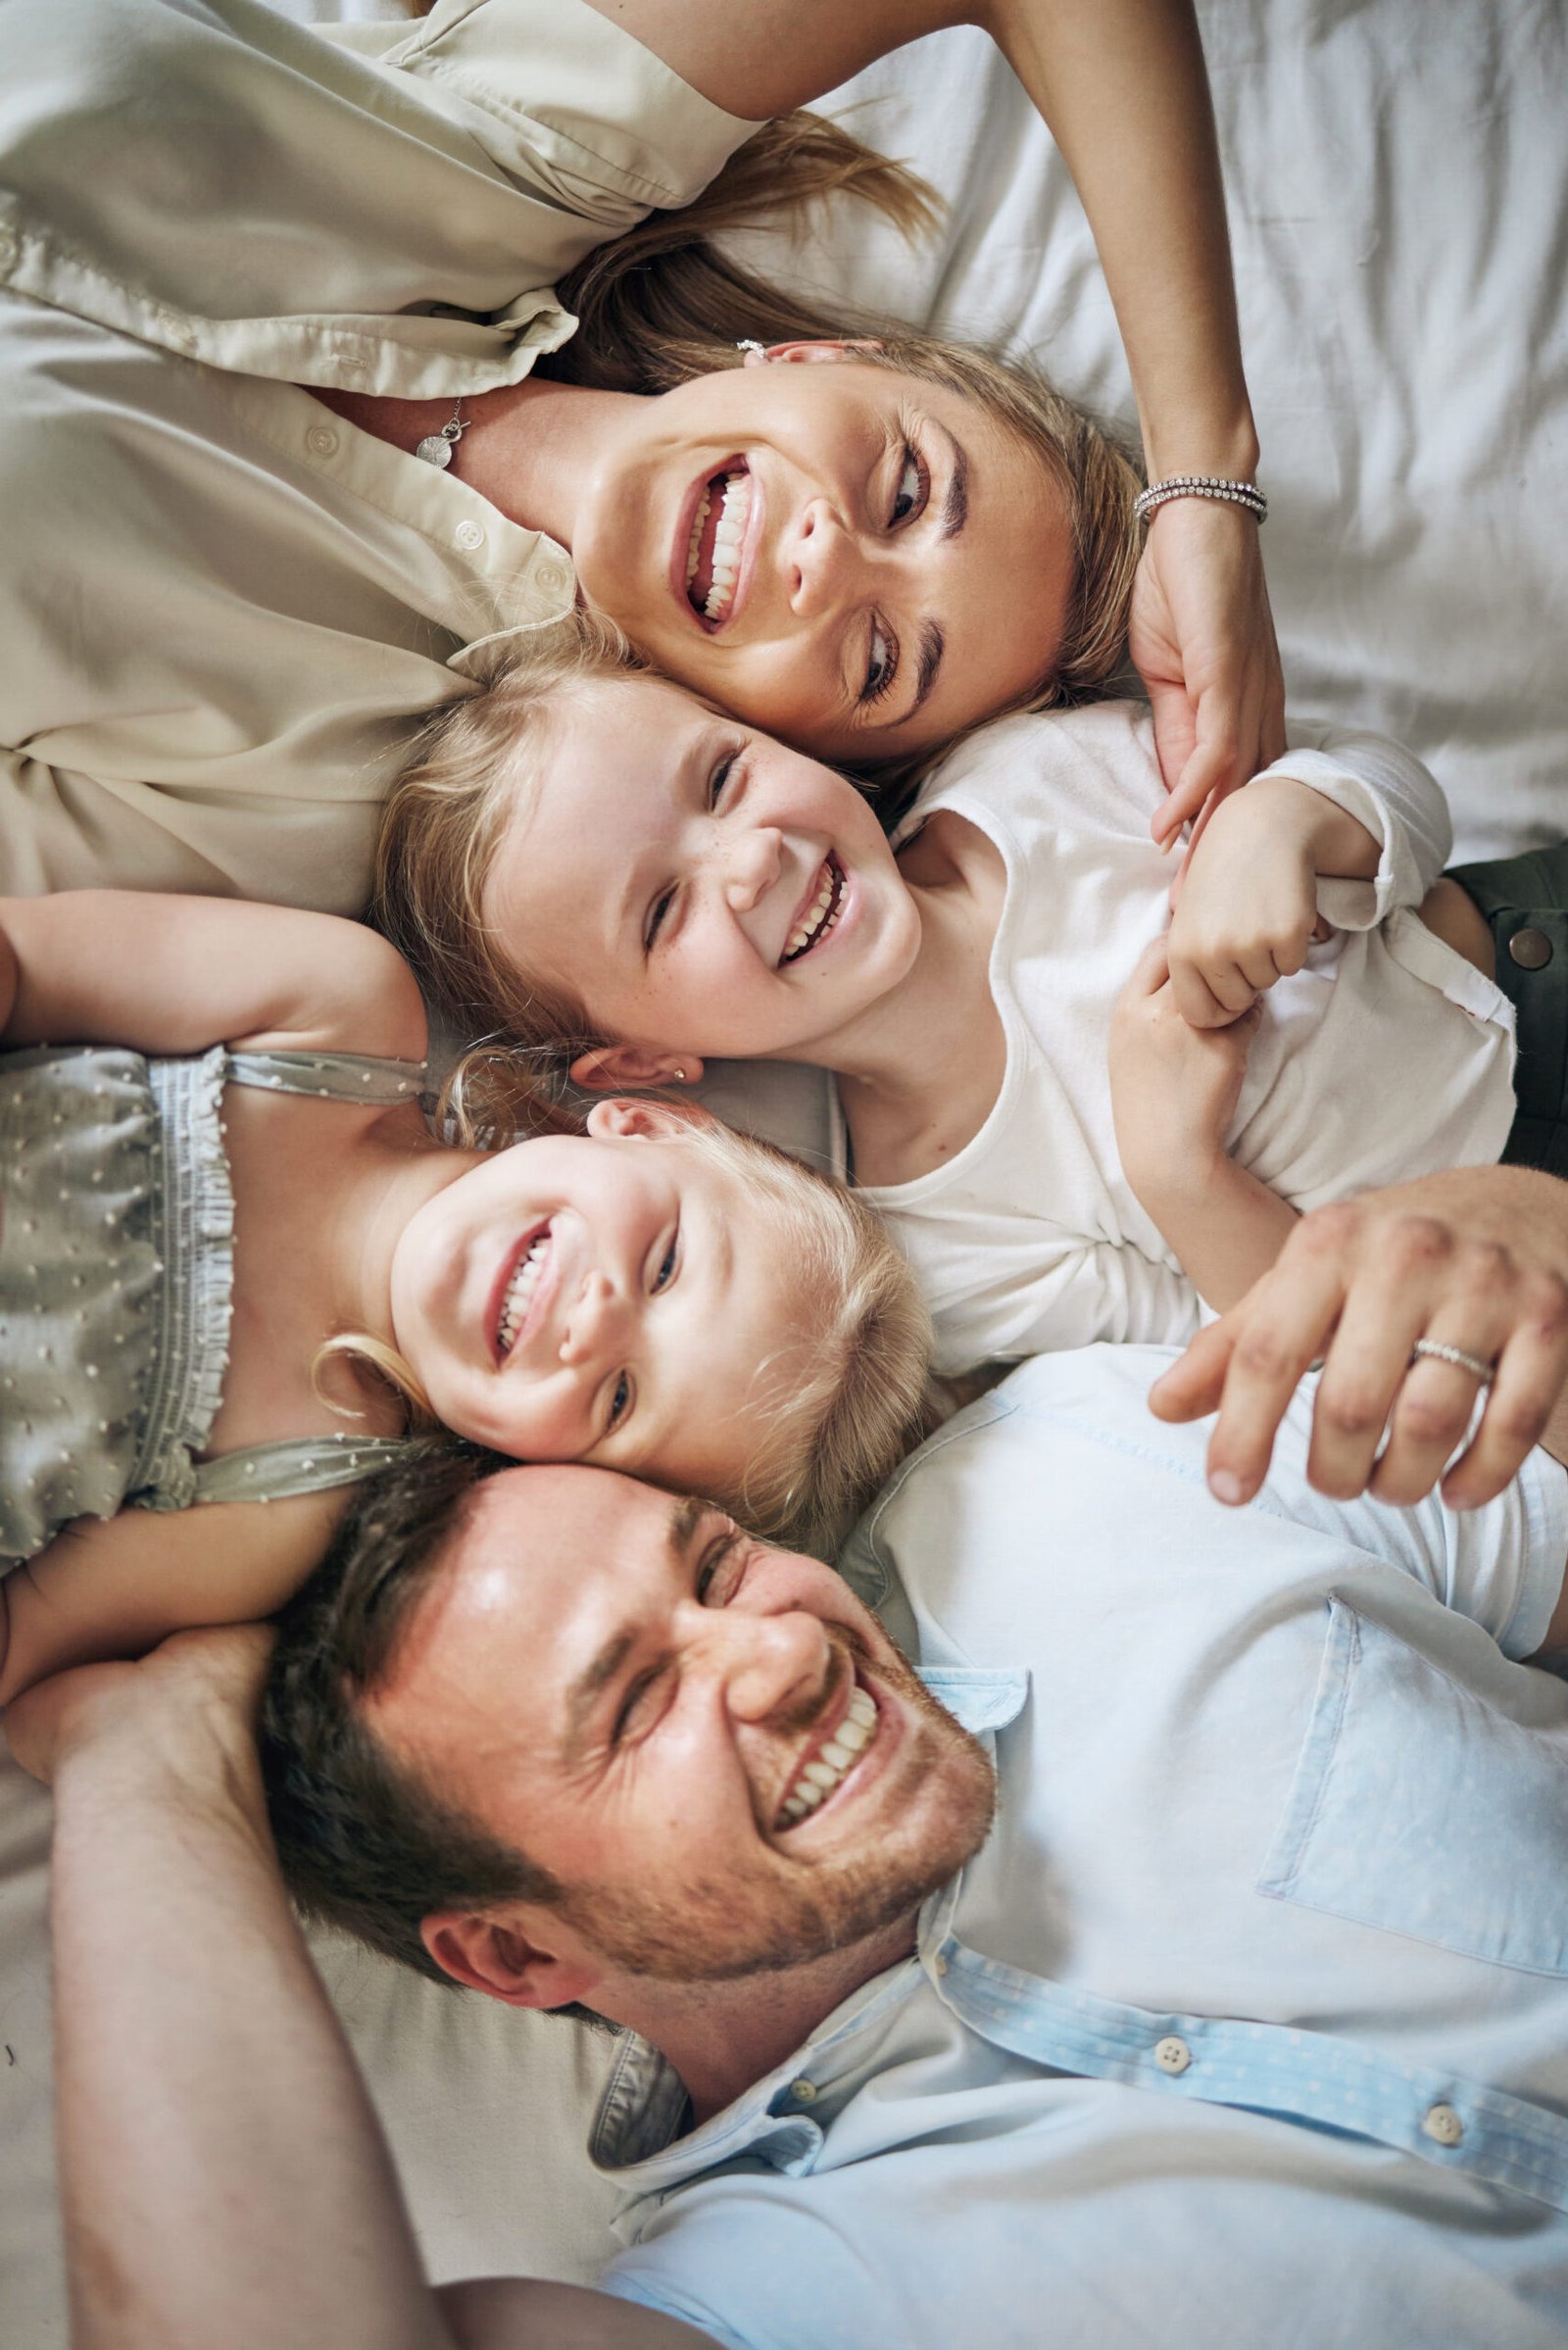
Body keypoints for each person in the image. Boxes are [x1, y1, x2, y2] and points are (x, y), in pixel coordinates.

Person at [17, 1160, 1568, 2350]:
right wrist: (151, 1752)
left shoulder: (1095, 1465)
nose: (779, 1647)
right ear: (509, 1950)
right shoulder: (766, 2289)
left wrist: (1538, 1231)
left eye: (710, 1566)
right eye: (630, 1710)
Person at [1, 0, 1278, 909]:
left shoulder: (331, 794)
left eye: (882, 658)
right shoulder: (509, 155)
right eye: (904, 489)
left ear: (789, 742)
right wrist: (1204, 484)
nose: (833, 563)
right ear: (813, 359)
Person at [378, 631, 1531, 1369]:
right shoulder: (943, 1241)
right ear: (635, 1060)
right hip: (1482, 1290)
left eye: (724, 777)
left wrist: (1288, 820)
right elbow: (1264, 1339)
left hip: (1522, 970)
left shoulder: (1027, 782)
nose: (751, 860)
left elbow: (1394, 794)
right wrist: (1177, 1168)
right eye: (662, 913)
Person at [0, 885, 929, 1703]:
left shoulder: (279, 1508)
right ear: (644, 1127)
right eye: (665, 1264)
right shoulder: (332, 1012)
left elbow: (24, 1637)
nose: (595, 1324)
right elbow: (24, 959)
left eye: (618, 1399)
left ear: (541, 1481)